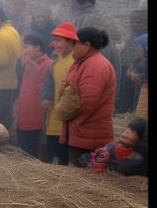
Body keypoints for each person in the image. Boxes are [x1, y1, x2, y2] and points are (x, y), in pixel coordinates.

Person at [59, 27, 117, 167]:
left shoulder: (95, 65)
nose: (73, 47)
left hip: (89, 133)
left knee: (85, 176)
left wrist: (76, 123)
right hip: (82, 131)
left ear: (87, 45)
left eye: (76, 44)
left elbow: (87, 101)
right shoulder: (84, 61)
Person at [40, 22, 78, 165]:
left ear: (71, 41)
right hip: (54, 117)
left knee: (64, 158)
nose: (55, 44)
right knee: (53, 154)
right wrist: (46, 97)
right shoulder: (56, 62)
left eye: (59, 40)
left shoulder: (77, 61)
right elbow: (49, 82)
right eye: (54, 40)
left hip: (68, 119)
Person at [14, 34, 52, 157]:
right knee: (23, 149)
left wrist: (34, 69)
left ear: (38, 47)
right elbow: (21, 86)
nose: (24, 51)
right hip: (24, 115)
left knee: (33, 153)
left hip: (37, 119)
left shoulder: (48, 64)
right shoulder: (27, 64)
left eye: (27, 47)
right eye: (23, 48)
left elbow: (45, 92)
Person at [79, 118, 146, 173]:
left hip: (114, 168)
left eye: (133, 132)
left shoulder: (136, 156)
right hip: (100, 164)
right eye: (127, 129)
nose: (126, 133)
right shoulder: (111, 146)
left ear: (140, 139)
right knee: (85, 157)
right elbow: (98, 156)